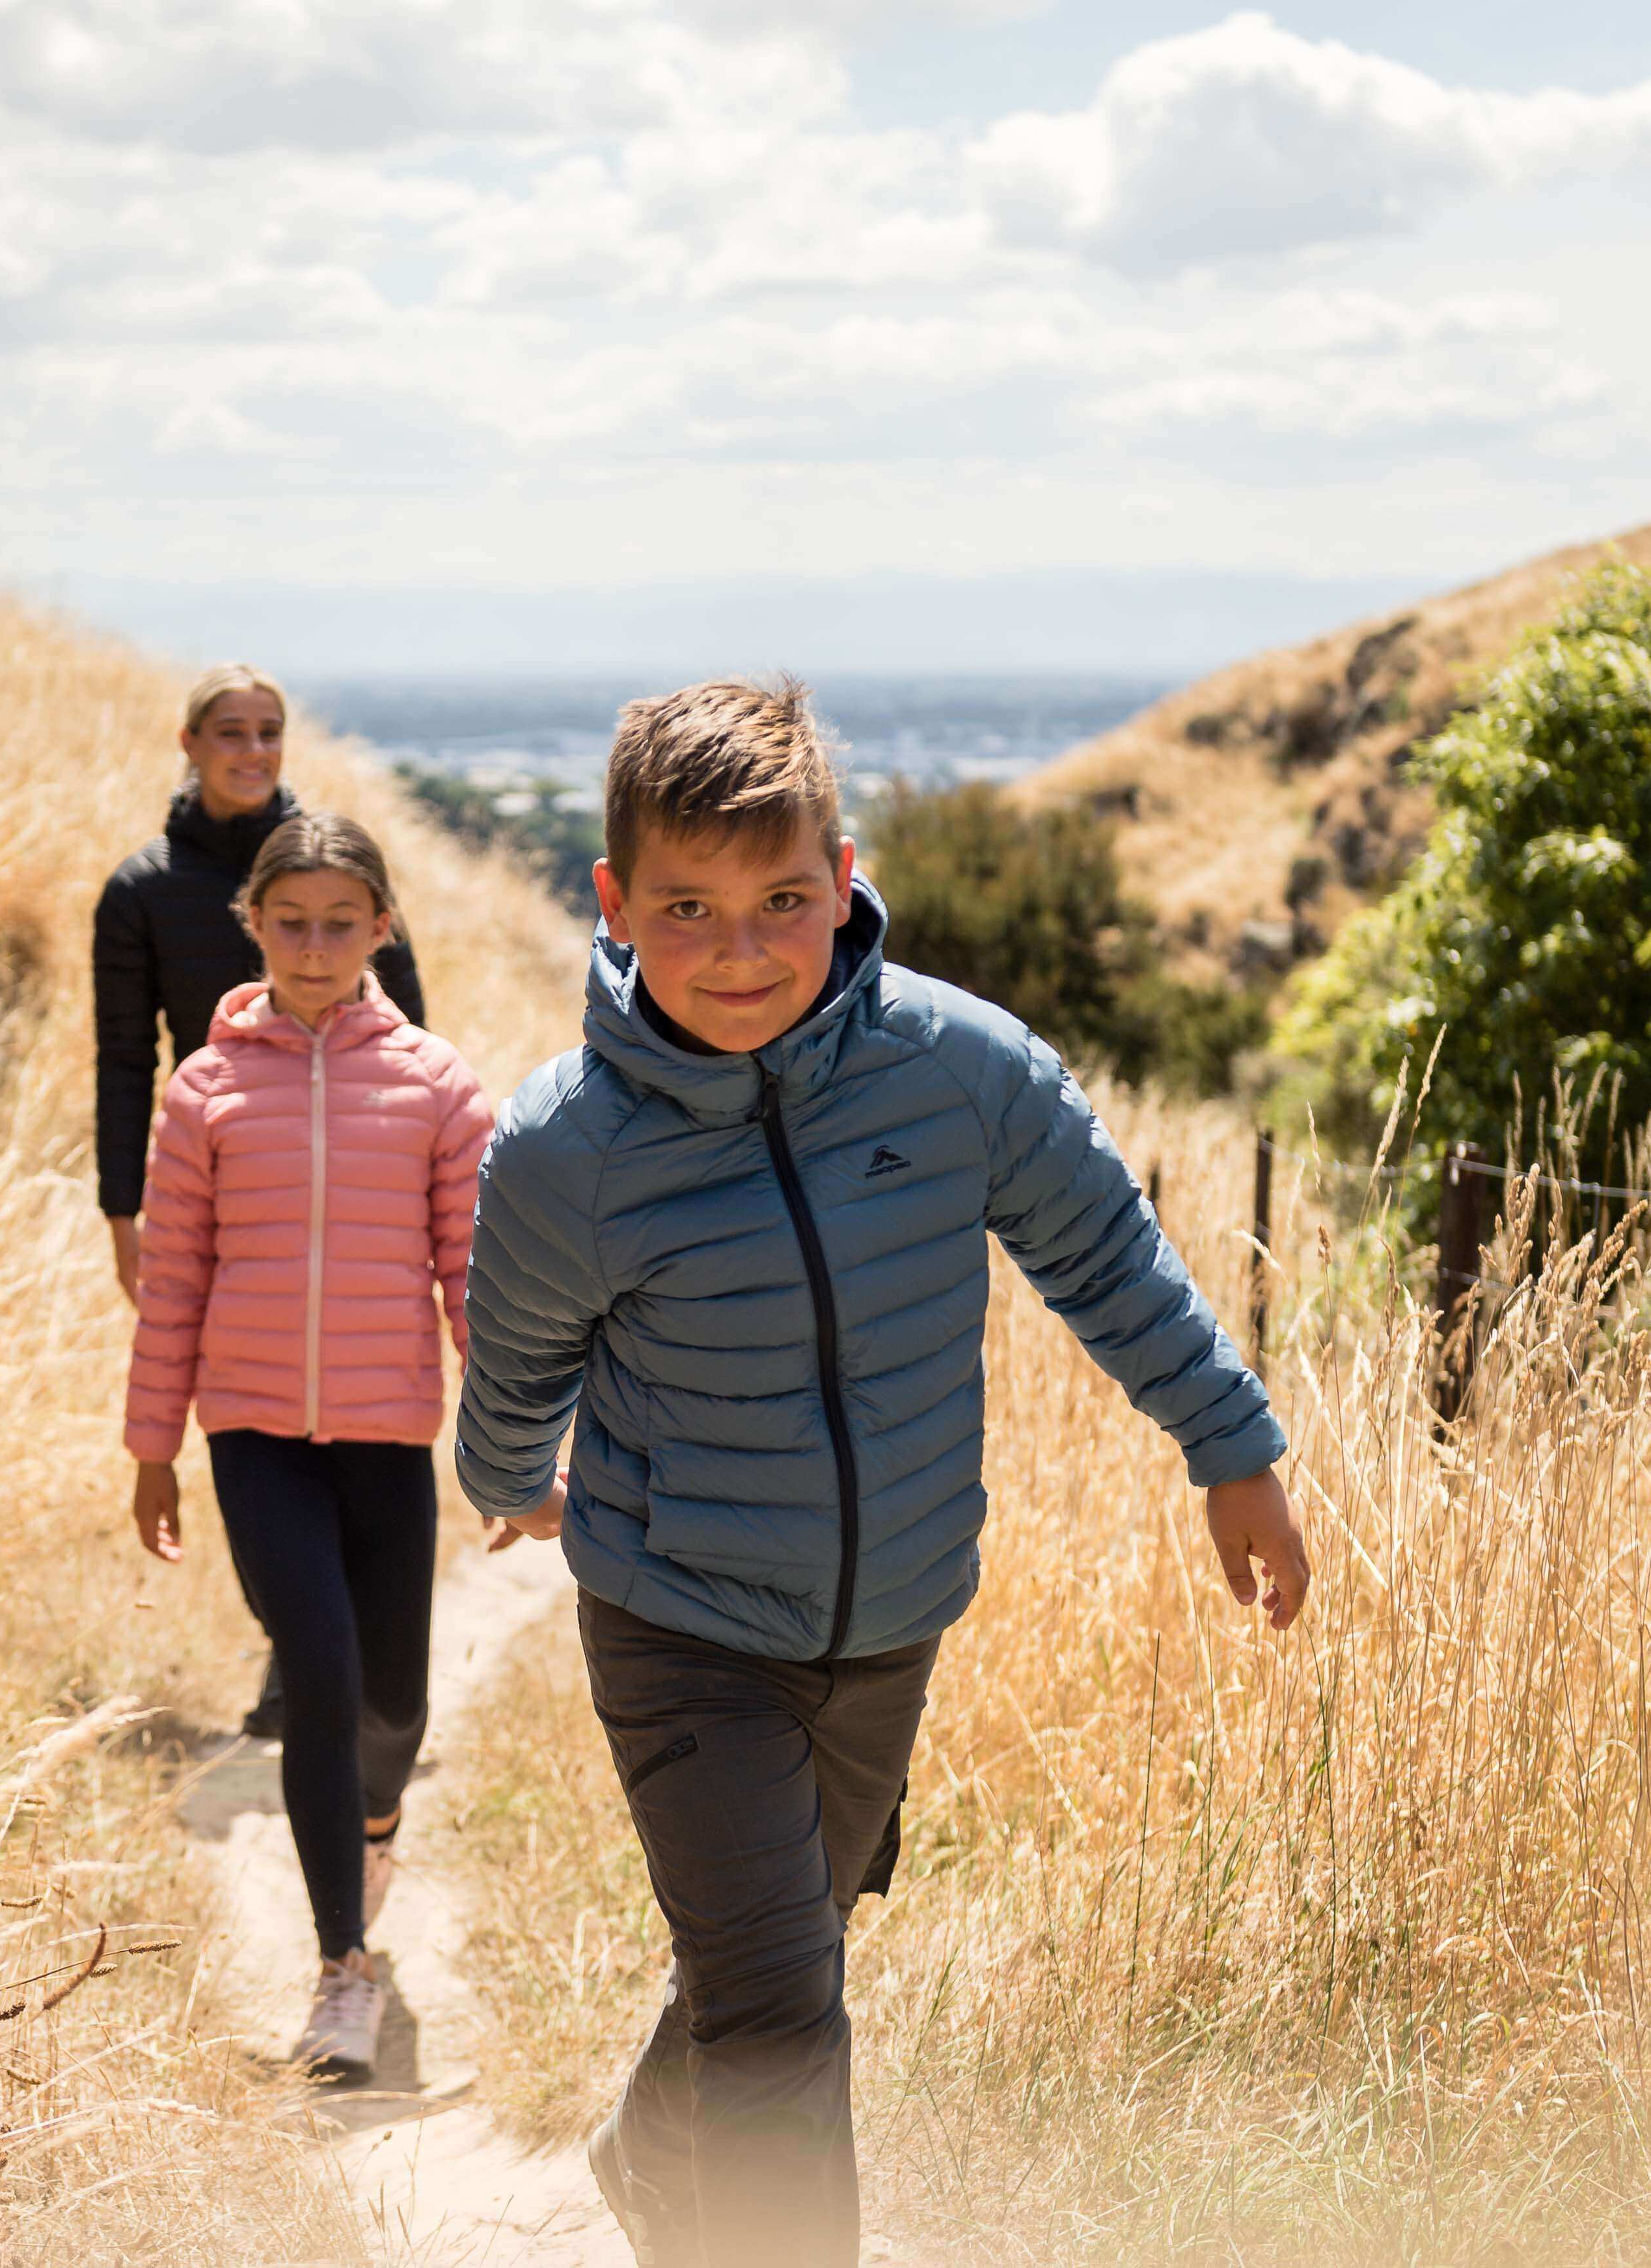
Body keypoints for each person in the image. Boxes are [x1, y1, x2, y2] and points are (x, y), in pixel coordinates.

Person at [454, 679, 1311, 2265]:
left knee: (781, 1955)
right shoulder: (564, 1151)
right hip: (679, 1625)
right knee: (781, 2018)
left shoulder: (958, 1069)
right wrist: (507, 1477)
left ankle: (651, 2152)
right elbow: (512, 1365)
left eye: (782, 901)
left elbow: (1106, 1261)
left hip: (890, 1618)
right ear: (615, 904)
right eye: (687, 909)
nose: (738, 950)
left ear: (841, 877)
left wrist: (1227, 1444)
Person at [120, 811, 491, 2085]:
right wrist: (150, 1448)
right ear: (254, 926)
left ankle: (373, 1820)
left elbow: (469, 1282)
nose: (316, 946)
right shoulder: (205, 1091)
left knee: (394, 1705)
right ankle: (343, 1973)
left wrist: (510, 1446)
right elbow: (173, 1281)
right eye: (292, 922)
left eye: (342, 923)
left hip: (388, 1436)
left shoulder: (438, 1088)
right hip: (254, 1437)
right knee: (322, 1682)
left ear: (380, 929)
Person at [97, 664, 429, 1739]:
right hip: (220, 1177)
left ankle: (315, 1664)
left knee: (334, 1447)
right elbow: (120, 1058)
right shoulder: (140, 889)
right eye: (230, 732)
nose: (252, 750)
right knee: (250, 1436)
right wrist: (121, 1210)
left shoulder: (336, 869)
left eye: (269, 732)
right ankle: (303, 1640)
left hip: (348, 1187)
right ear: (188, 742)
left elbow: (406, 1030)